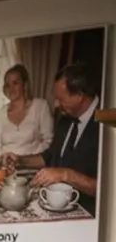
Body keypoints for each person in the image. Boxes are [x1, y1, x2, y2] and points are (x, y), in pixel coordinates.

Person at [29, 61, 100, 215]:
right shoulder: (66, 118)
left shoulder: (108, 122)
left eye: (61, 99)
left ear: (79, 96)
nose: (55, 104)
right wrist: (19, 160)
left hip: (89, 214)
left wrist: (65, 174)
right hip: (55, 206)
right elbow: (49, 156)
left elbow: (108, 188)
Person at [0, 64, 53, 159]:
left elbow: (48, 141)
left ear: (25, 84)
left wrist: (27, 160)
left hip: (33, 166)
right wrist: (5, 159)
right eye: (8, 85)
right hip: (7, 168)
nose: (11, 89)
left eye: (15, 83)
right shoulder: (1, 113)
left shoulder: (40, 106)